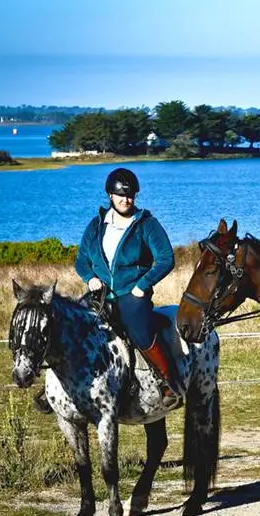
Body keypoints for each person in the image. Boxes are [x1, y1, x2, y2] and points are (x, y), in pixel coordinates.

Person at [75, 168, 182, 405]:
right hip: (100, 293)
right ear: (110, 195)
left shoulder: (146, 224)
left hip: (132, 293)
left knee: (137, 327)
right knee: (73, 324)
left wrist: (143, 284)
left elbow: (166, 258)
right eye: (121, 195)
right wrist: (90, 277)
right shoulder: (96, 225)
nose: (126, 199)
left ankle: (168, 382)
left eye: (131, 195)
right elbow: (81, 260)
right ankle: (62, 385)